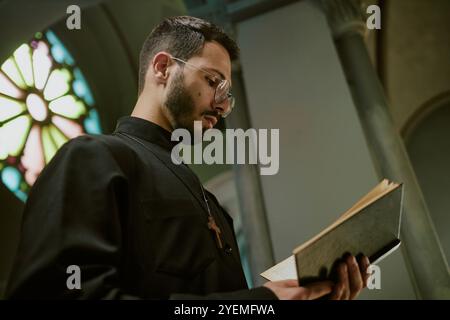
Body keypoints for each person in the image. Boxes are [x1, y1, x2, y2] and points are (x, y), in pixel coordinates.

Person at [6, 16, 370, 300]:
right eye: (213, 82)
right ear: (163, 68)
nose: (223, 106)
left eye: (228, 93)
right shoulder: (93, 157)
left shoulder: (212, 205)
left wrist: (303, 294)